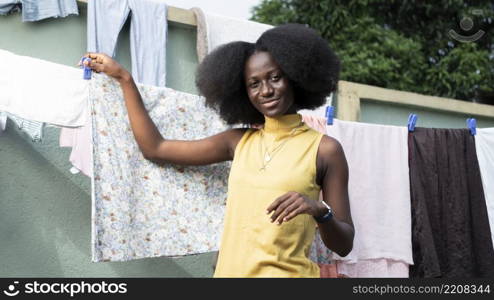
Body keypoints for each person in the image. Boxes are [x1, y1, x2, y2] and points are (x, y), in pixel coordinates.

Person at [83, 23, 354, 278]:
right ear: (243, 92)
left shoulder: (325, 150)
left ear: (295, 77)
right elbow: (155, 148)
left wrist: (320, 211)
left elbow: (344, 244)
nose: (266, 90)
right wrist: (124, 78)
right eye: (254, 83)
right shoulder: (238, 142)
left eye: (275, 78)